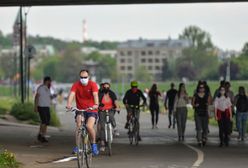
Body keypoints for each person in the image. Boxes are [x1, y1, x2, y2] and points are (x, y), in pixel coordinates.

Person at [66, 69, 99, 156]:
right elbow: (72, 94)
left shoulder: (93, 84)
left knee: (89, 126)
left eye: (85, 77)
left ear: (89, 77)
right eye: (81, 77)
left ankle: (94, 144)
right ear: (79, 77)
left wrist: (96, 104)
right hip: (80, 110)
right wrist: (69, 104)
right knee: (79, 126)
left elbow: (95, 95)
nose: (83, 79)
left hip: (92, 110)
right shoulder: (76, 85)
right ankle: (77, 146)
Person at [98, 82, 120, 152]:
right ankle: (102, 144)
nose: (106, 89)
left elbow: (115, 101)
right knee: (102, 127)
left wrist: (117, 107)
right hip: (102, 110)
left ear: (109, 88)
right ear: (102, 87)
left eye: (107, 87)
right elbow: (97, 101)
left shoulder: (112, 93)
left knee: (111, 117)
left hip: (110, 109)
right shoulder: (100, 94)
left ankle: (115, 128)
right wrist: (98, 106)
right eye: (105, 87)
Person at [34, 76, 52, 143]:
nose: (50, 82)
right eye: (49, 81)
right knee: (44, 121)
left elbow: (48, 97)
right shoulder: (41, 88)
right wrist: (35, 106)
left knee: (46, 122)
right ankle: (41, 135)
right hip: (41, 106)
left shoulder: (48, 88)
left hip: (47, 107)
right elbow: (37, 97)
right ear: (46, 81)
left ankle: (42, 135)